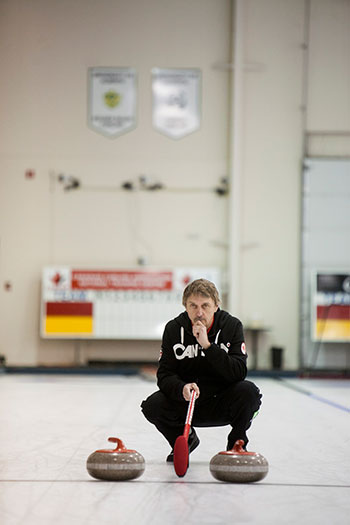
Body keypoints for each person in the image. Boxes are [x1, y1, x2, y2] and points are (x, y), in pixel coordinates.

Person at [141, 278, 262, 462]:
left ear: (216, 306)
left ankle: (236, 444)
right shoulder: (173, 329)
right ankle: (184, 441)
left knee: (249, 392)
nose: (199, 313)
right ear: (185, 306)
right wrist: (181, 388)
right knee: (152, 405)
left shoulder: (232, 326)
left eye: (205, 306)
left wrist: (207, 346)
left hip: (221, 401)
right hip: (188, 403)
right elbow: (164, 375)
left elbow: (238, 372)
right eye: (193, 306)